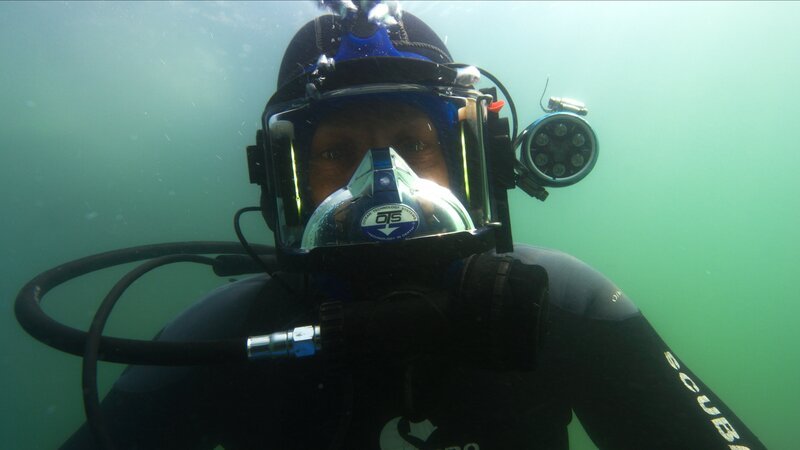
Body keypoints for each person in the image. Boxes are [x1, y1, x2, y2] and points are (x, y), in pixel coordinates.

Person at [61, 5, 765, 450]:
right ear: (283, 180)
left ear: (471, 161)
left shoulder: (564, 302)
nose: (384, 186)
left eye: (412, 143)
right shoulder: (221, 338)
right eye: (338, 152)